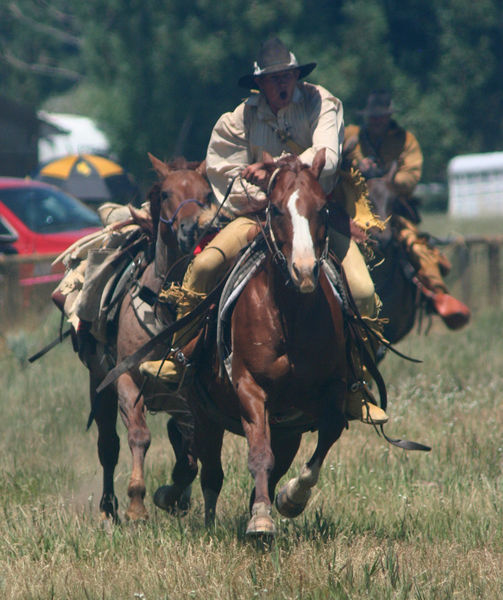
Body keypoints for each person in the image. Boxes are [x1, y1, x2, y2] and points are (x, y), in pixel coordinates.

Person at [140, 38, 389, 424]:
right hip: (258, 215)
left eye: (287, 75)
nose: (282, 84)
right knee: (204, 267)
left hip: (316, 214)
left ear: (297, 76)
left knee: (363, 290)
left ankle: (355, 383)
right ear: (259, 84)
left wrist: (277, 172)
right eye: (273, 79)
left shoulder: (324, 104)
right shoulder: (233, 122)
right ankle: (180, 357)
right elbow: (225, 178)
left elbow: (329, 158)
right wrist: (267, 196)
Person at [345, 90, 470, 329]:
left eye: (381, 117)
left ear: (389, 117)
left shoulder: (406, 140)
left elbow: (412, 176)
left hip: (391, 209)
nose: (377, 121)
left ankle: (437, 294)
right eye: (373, 117)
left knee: (414, 243)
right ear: (366, 117)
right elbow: (337, 160)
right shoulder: (352, 136)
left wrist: (388, 178)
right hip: (354, 209)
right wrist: (357, 167)